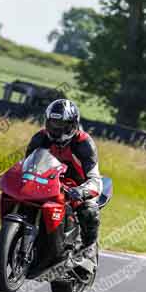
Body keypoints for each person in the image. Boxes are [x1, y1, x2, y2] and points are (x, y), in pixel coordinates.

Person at [25, 99, 102, 251]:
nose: (56, 129)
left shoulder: (84, 143)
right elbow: (25, 165)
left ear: (73, 125)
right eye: (53, 123)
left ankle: (87, 250)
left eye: (61, 125)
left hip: (77, 187)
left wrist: (81, 191)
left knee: (89, 211)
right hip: (48, 184)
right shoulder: (40, 138)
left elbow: (94, 178)